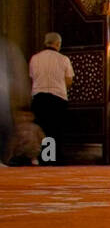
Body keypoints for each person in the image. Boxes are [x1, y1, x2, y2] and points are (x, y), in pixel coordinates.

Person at [29, 32, 74, 165]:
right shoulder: (63, 59)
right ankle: (54, 159)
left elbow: (32, 77)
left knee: (43, 129)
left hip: (39, 98)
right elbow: (68, 80)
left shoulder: (34, 58)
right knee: (55, 129)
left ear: (45, 42)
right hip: (57, 98)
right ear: (58, 44)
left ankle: (44, 158)